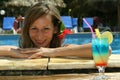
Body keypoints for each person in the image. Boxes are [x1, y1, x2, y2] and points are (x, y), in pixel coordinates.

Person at [0, 2, 112, 59]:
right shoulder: (22, 51)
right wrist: (13, 52)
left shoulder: (64, 50)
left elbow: (106, 49)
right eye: (34, 28)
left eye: (46, 29)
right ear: (27, 29)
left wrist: (52, 52)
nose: (39, 36)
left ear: (55, 29)